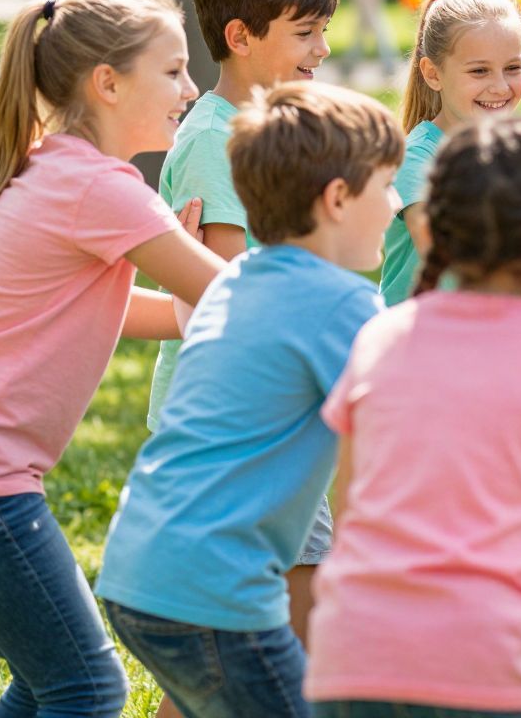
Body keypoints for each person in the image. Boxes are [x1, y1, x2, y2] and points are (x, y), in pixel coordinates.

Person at [0, 0, 226, 718]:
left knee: (49, 681)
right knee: (87, 688)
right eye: (173, 70)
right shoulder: (102, 189)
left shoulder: (59, 165)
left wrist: (191, 304)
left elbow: (106, 309)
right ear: (108, 83)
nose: (190, 88)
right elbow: (238, 294)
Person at [305, 114, 521, 716]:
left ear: (434, 230)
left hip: (349, 663)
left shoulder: (379, 340)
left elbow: (354, 509)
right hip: (500, 668)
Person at [98, 82, 404, 718]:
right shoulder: (343, 306)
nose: (397, 203)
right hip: (216, 590)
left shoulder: (234, 286)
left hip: (142, 569)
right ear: (339, 199)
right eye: (387, 186)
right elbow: (381, 448)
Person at [380, 0, 521, 305]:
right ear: (433, 74)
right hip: (415, 345)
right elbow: (442, 254)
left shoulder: (514, 155)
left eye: (513, 68)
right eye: (479, 71)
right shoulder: (416, 159)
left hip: (483, 338)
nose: (500, 86)